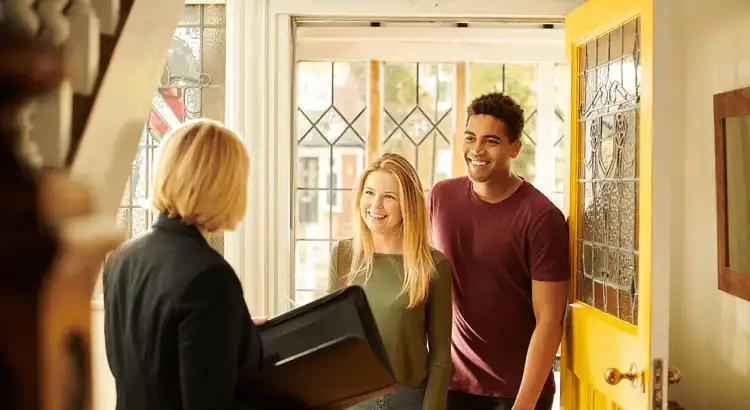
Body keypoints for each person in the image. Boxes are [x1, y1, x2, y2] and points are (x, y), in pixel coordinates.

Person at [103, 119, 300, 410]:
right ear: (224, 187)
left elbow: (156, 355)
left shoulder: (122, 257)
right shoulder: (210, 277)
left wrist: (233, 331)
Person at [428, 92, 570, 410]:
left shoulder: (541, 217)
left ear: (515, 148)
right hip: (451, 385)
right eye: (470, 137)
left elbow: (549, 322)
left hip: (517, 392)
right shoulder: (441, 197)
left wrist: (524, 405)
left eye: (491, 141)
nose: (477, 150)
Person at [327, 153, 453, 410]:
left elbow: (440, 356)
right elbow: (329, 339)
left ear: (408, 205)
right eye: (369, 192)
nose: (376, 205)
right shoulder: (342, 256)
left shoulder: (433, 265)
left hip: (407, 400)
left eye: (389, 197)